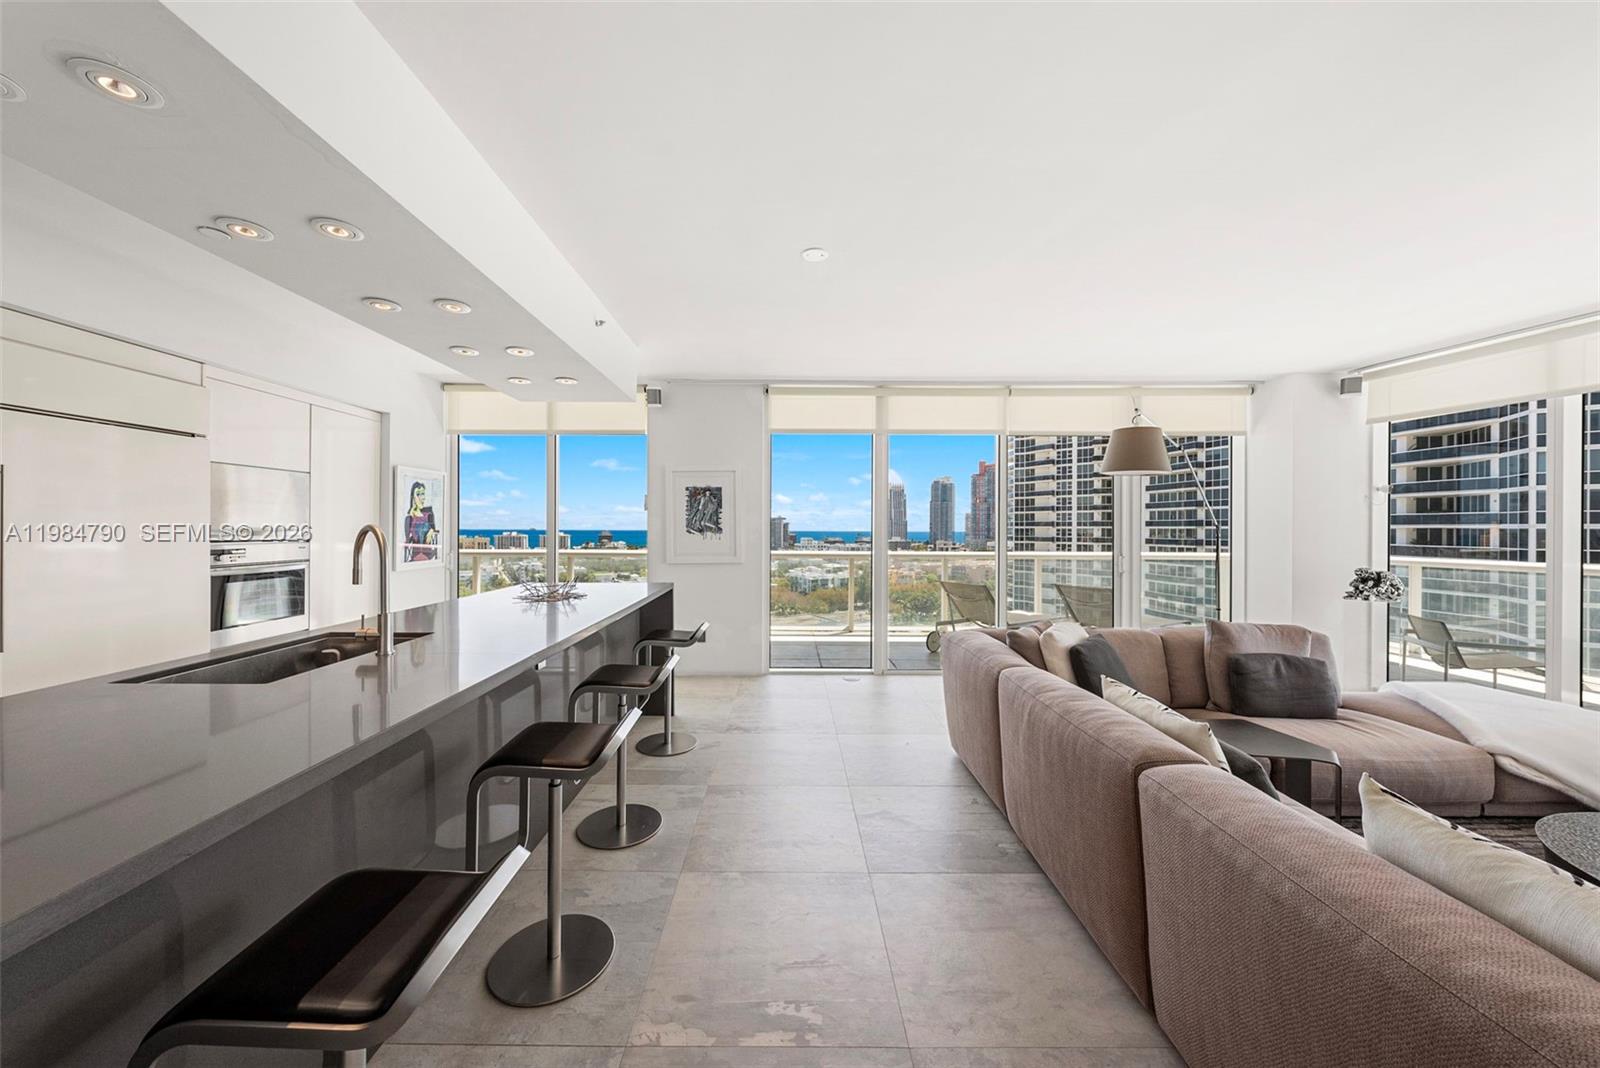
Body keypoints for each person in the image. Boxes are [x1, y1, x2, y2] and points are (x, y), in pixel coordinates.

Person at [405, 480, 438, 561]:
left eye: (422, 494)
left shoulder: (429, 514)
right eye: (418, 494)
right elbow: (407, 539)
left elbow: (434, 530)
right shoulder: (409, 518)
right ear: (413, 497)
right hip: (415, 554)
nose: (421, 497)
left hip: (428, 554)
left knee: (426, 526)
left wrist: (431, 531)